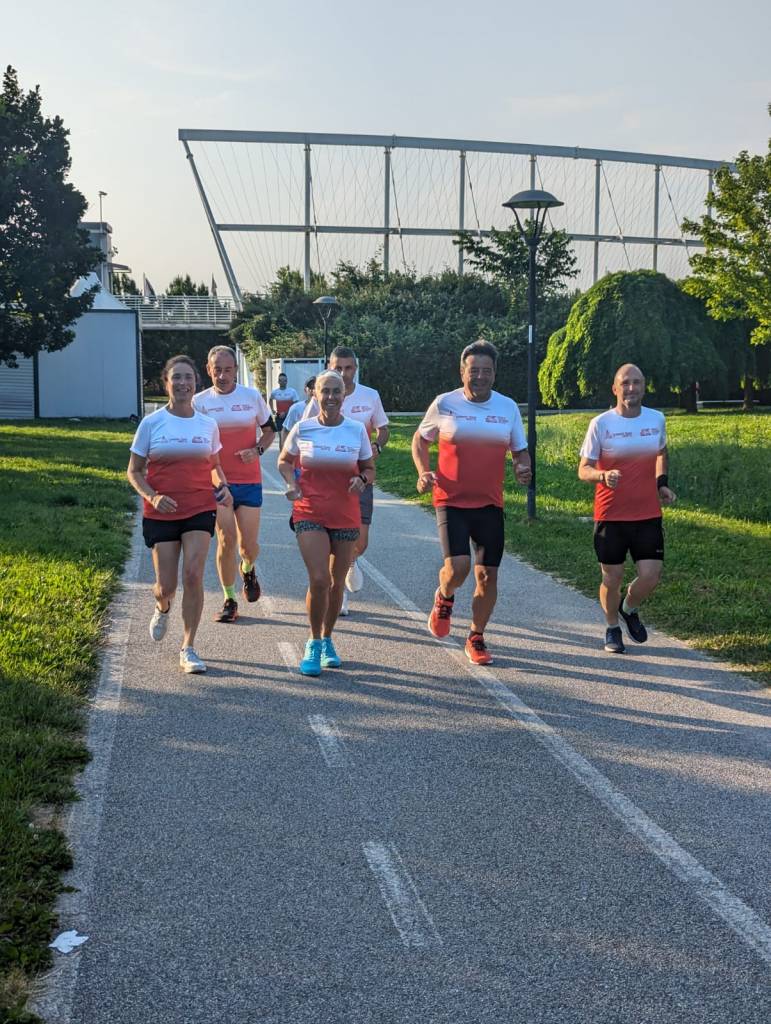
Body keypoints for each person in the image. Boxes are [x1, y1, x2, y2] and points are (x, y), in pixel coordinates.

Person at [412, 339, 531, 665]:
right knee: (458, 568)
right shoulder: (445, 403)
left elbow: (519, 450)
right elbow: (420, 440)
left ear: (494, 373)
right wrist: (423, 472)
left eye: (486, 371)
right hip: (450, 499)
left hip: (489, 503)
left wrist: (522, 466)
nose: (480, 377)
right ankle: (444, 596)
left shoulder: (507, 407)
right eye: (474, 370)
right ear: (462, 371)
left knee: (487, 576)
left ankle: (476, 635)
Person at [127, 355, 232, 674]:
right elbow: (134, 471)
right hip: (161, 512)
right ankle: (162, 606)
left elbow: (214, 466)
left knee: (194, 574)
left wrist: (223, 486)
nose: (183, 383)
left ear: (196, 383)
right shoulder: (151, 423)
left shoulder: (207, 425)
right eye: (176, 377)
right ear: (166, 383)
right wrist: (153, 496)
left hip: (199, 508)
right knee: (167, 586)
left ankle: (188, 647)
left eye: (188, 377)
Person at [278, 370, 375, 677]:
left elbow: (369, 468)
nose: (331, 397)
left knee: (335, 583)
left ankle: (328, 638)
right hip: (309, 511)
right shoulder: (303, 428)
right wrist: (291, 482)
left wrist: (362, 480)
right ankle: (313, 641)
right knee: (319, 579)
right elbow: (284, 460)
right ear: (315, 394)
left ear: (344, 395)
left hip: (345, 514)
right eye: (325, 391)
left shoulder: (356, 430)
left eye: (336, 391)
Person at [578, 363, 676, 654]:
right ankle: (612, 627)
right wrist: (602, 476)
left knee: (651, 575)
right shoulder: (601, 424)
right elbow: (583, 469)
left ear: (644, 387)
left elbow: (661, 452)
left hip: (647, 513)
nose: (631, 388)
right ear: (615, 388)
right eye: (626, 383)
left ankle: (628, 608)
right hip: (611, 515)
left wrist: (661, 484)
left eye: (637, 382)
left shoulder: (656, 419)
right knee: (612, 577)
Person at [303, 346, 389, 615]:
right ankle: (338, 592)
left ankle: (351, 561)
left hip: (359, 478)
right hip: (327, 481)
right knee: (333, 539)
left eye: (348, 367)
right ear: (329, 367)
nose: (343, 373)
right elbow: (304, 432)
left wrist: (376, 447)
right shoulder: (321, 397)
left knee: (360, 543)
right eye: (337, 367)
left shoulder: (370, 396)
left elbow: (383, 429)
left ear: (356, 368)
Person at [193, 345, 275, 623]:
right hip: (217, 482)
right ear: (208, 370)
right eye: (217, 370)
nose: (222, 375)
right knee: (226, 539)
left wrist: (257, 450)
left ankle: (247, 568)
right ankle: (229, 599)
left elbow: (269, 430)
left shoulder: (251, 397)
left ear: (236, 370)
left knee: (248, 546)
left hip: (249, 480)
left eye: (228, 370)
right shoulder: (199, 402)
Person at [280, 375, 316, 448]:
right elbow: (286, 430)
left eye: (315, 388)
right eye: (310, 388)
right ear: (305, 390)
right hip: (299, 451)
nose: (313, 391)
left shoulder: (326, 410)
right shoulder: (296, 408)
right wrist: (283, 450)